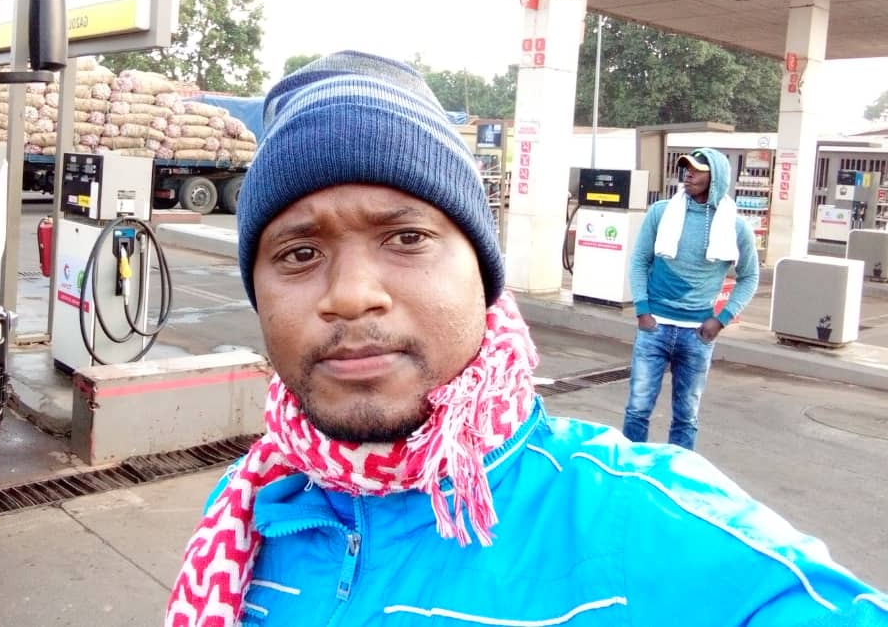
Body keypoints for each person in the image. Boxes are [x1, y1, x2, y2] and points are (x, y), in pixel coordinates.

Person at [164, 52, 887, 626]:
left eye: (407, 238)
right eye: (298, 253)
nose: (351, 294)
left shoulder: (636, 522)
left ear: (484, 277)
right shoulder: (247, 515)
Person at [623, 147, 759, 451]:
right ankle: (629, 470)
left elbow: (750, 277)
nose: (689, 174)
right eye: (687, 168)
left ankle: (678, 472)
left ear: (716, 177)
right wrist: (642, 310)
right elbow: (639, 261)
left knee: (686, 417)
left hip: (697, 334)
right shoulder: (661, 212)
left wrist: (721, 320)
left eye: (698, 170)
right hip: (654, 328)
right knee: (637, 410)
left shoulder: (736, 227)